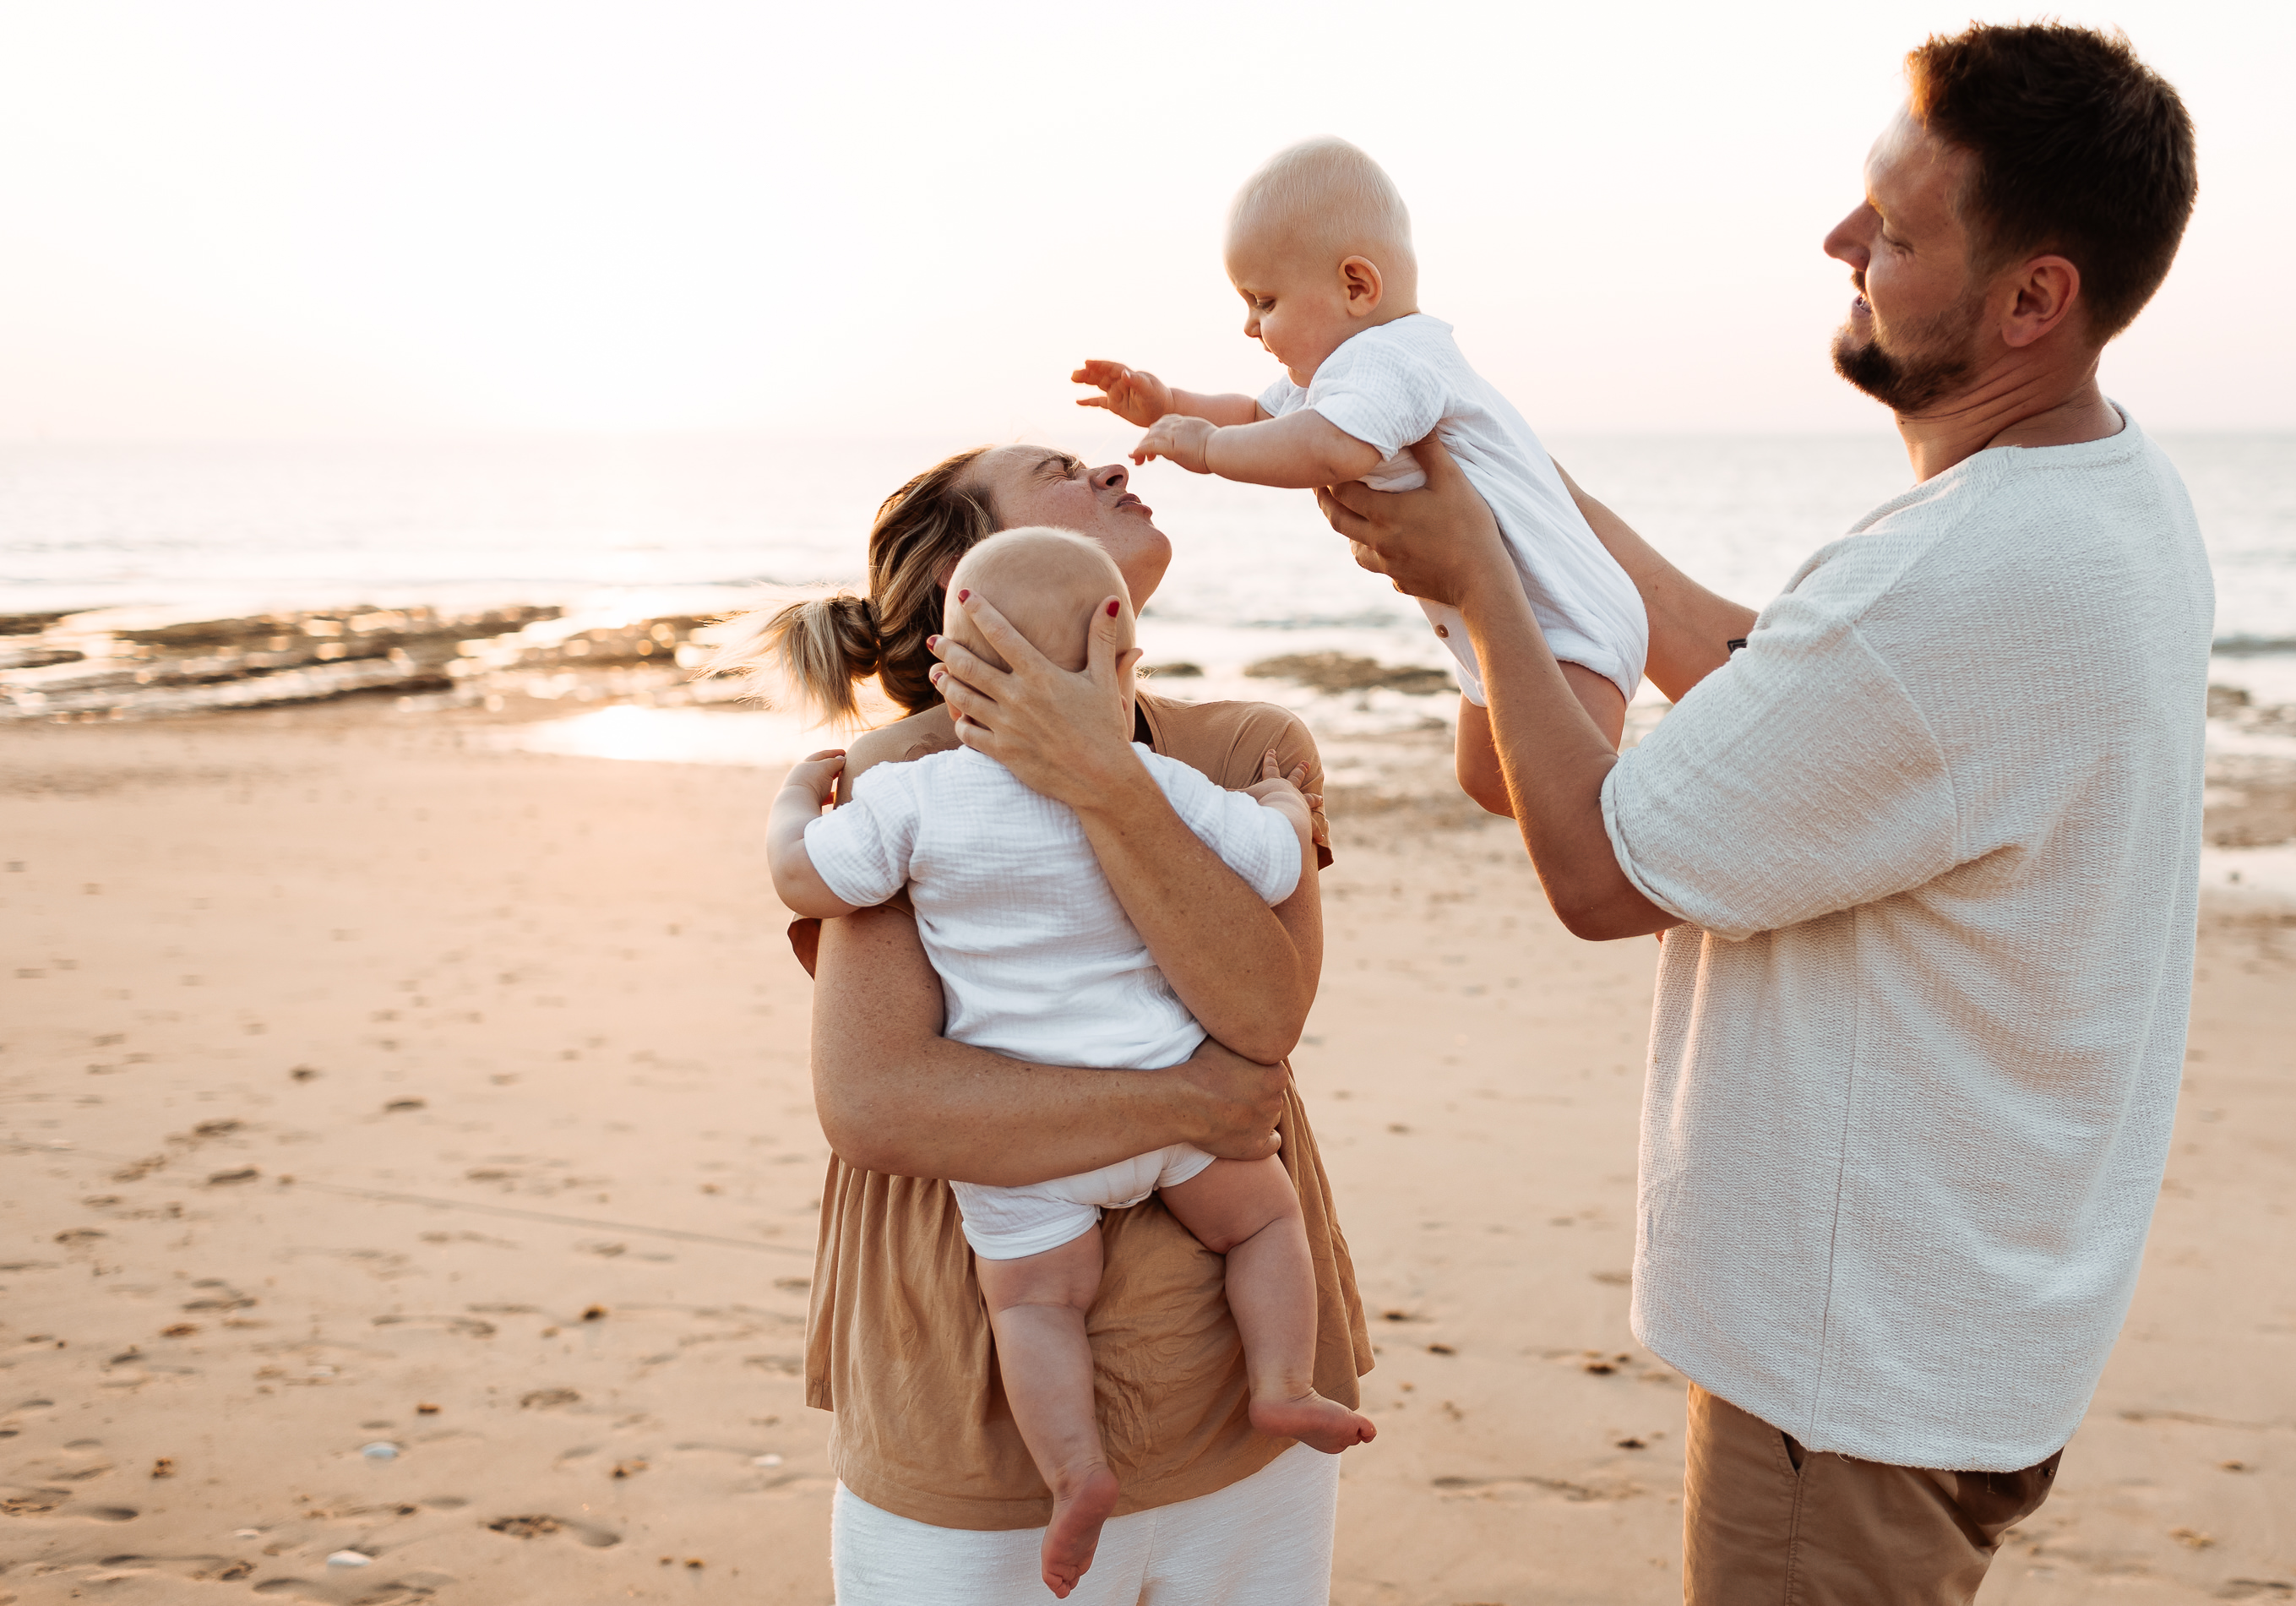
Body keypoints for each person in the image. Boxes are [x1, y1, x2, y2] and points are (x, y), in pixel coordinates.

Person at [1315, 22, 2207, 1604]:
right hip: (1962, 1332)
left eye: (1898, 230)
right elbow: (1767, 681)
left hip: (1847, 1381)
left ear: (2032, 300)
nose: (1839, 244)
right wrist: (1510, 480)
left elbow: (1599, 868)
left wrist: (1472, 586)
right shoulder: (2105, 491)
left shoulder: (1957, 579)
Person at [749, 444, 1371, 1605]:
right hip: (965, 1415)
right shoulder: (897, 775)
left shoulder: (1247, 751)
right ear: (959, 591)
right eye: (1054, 471)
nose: (1104, 462)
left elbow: (1264, 1011)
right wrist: (1186, 1104)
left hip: (1235, 1405)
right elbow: (878, 1102)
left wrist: (1103, 772)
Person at [1070, 135, 1647, 817]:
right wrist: (1172, 404)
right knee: (1487, 779)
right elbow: (1261, 413)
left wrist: (1208, 448)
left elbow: (1328, 450)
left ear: (1356, 286)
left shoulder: (1392, 362)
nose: (1251, 327)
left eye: (1265, 301)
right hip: (1502, 622)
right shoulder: (1343, 373)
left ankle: (1674, 809)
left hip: (1567, 621)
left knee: (1581, 808)